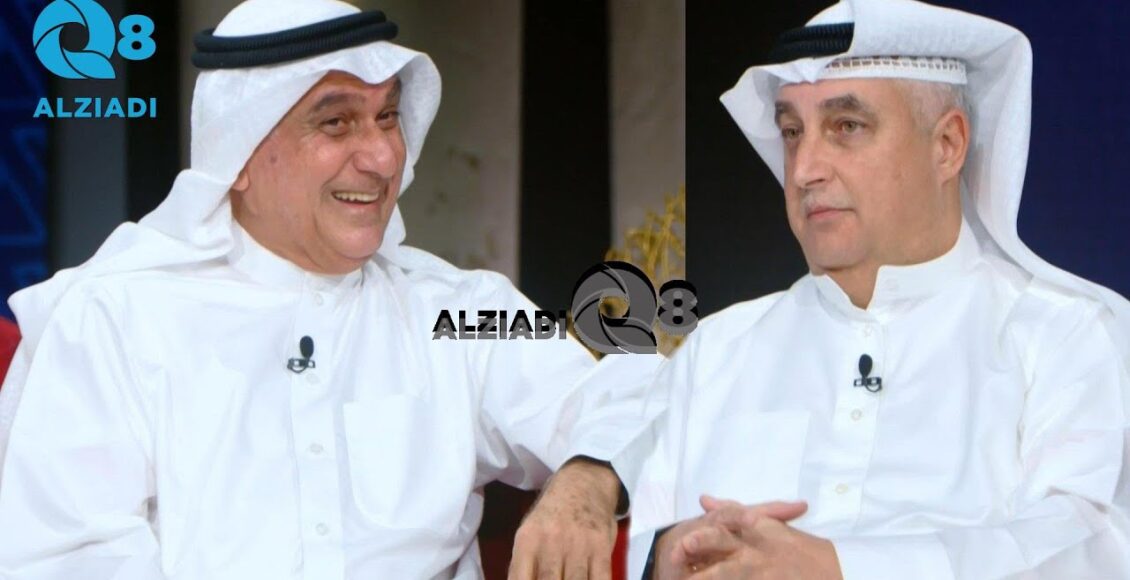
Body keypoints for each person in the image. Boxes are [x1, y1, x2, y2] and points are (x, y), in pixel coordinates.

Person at [0, 1, 660, 578]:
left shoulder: (458, 310)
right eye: (337, 124)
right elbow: (67, 561)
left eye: (387, 117)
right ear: (240, 156)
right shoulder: (113, 319)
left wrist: (588, 478)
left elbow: (635, 393)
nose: (383, 157)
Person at [627, 0, 1130, 578]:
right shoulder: (717, 350)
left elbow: (1087, 549)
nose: (804, 169)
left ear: (947, 146)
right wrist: (668, 555)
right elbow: (638, 539)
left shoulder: (1065, 338)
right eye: (792, 132)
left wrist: (837, 567)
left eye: (846, 127)